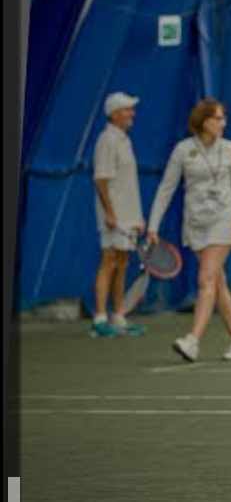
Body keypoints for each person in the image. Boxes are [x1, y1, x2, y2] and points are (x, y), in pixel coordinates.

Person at [148, 98, 231, 362]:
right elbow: (166, 188)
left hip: (224, 222)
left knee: (205, 279)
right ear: (204, 121)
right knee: (218, 281)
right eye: (218, 118)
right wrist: (153, 225)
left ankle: (193, 340)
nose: (223, 123)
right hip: (196, 225)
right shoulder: (183, 150)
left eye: (224, 118)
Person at [90, 92, 147, 337]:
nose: (132, 113)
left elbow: (127, 183)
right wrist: (111, 213)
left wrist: (137, 217)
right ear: (114, 114)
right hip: (113, 216)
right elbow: (101, 180)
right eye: (127, 109)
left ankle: (118, 315)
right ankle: (100, 319)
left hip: (128, 216)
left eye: (132, 109)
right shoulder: (107, 140)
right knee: (109, 261)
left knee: (123, 263)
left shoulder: (124, 139)